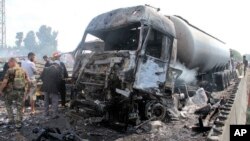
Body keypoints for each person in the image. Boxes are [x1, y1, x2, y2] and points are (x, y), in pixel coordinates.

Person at [0, 58, 29, 128]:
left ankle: (11, 120)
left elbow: (4, 82)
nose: (8, 64)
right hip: (21, 92)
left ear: (13, 62)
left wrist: (0, 90)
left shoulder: (10, 70)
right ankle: (18, 123)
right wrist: (26, 91)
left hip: (10, 92)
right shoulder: (23, 70)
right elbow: (28, 81)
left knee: (8, 104)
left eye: (9, 63)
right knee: (19, 107)